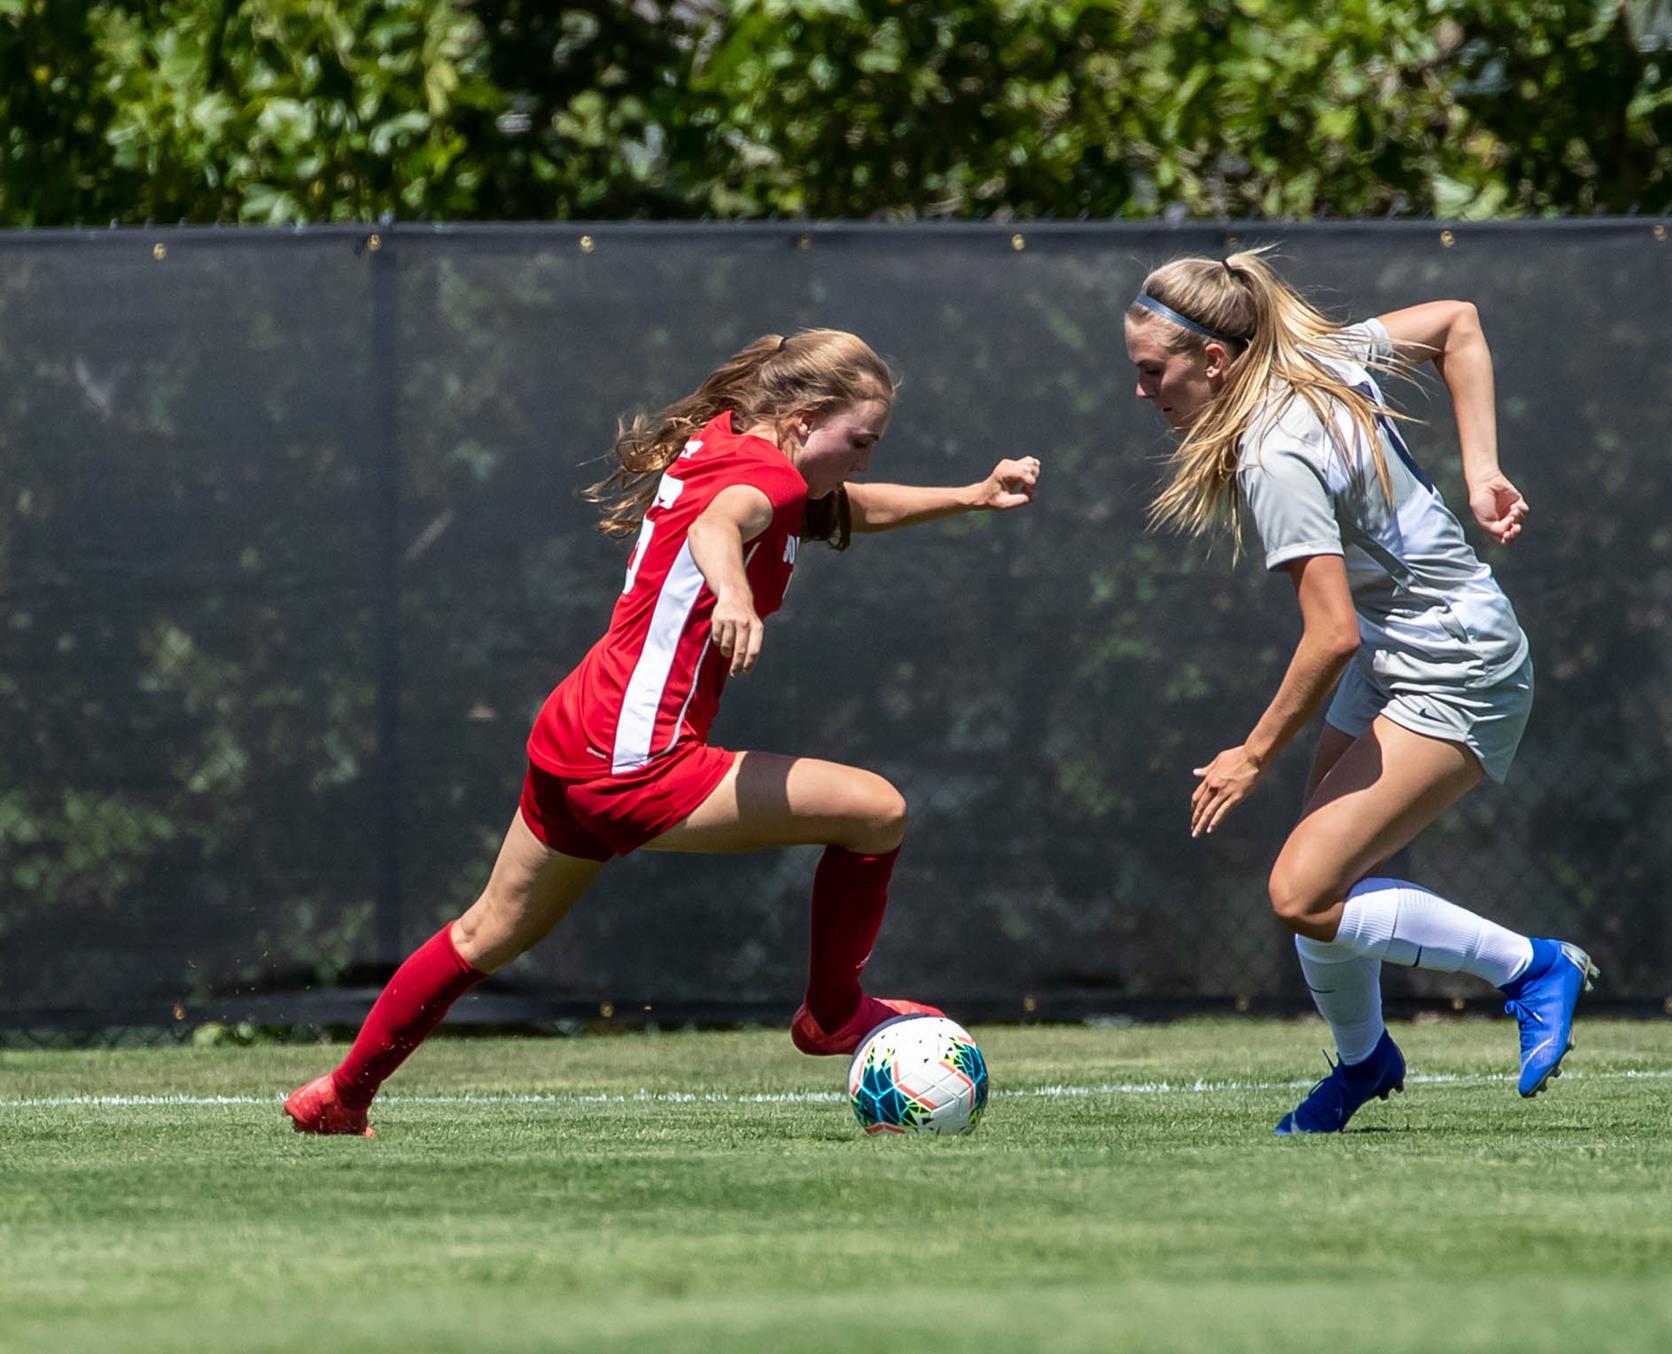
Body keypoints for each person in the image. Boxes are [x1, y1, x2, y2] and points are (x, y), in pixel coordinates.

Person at [285, 329, 1041, 1136]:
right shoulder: (768, 481)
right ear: (804, 419)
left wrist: (967, 494)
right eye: (860, 441)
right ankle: (830, 1014)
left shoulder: (731, 437)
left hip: (575, 728)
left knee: (485, 931)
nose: (863, 459)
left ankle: (340, 1096)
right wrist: (734, 595)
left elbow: (836, 508)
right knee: (876, 809)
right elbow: (719, 528)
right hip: (634, 759)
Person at [1123, 250, 1595, 1135]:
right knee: (1322, 884)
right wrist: (1482, 467)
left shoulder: (1271, 452)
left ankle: (1532, 968)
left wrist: (1250, 754)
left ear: (1215, 361)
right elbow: (1457, 320)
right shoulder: (1319, 359)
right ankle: (1365, 1063)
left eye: (1154, 372)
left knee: (1301, 892)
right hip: (1404, 647)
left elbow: (1329, 633)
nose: (1145, 393)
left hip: (1456, 661)